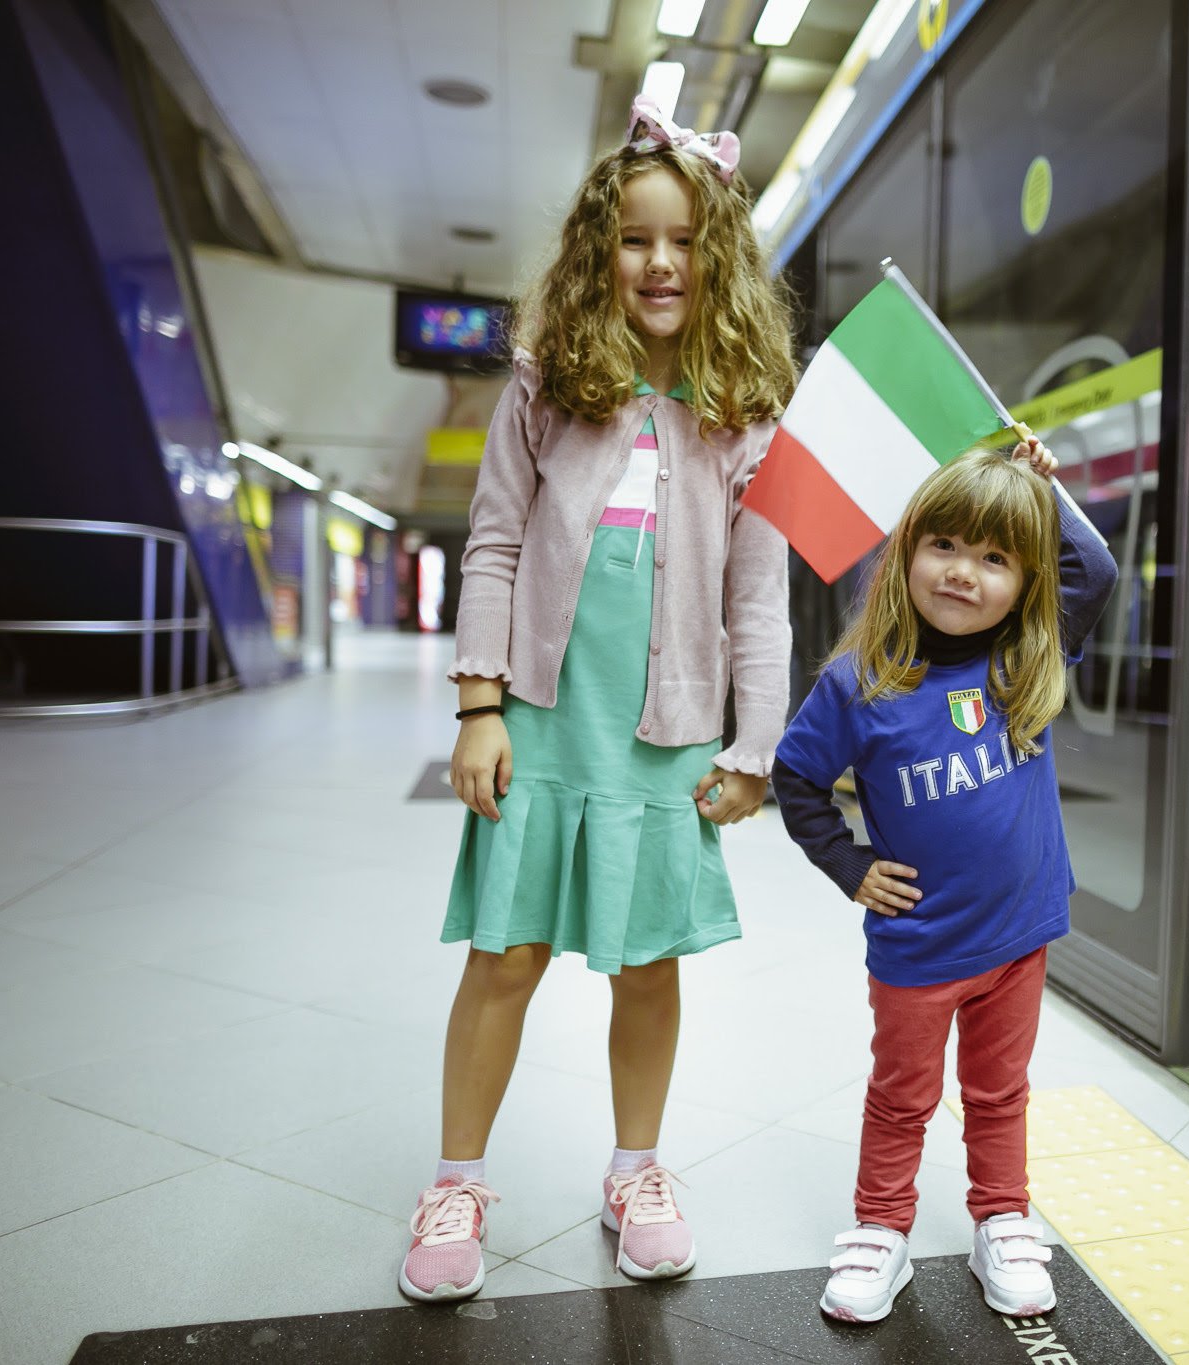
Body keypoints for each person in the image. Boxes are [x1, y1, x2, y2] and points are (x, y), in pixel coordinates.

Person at [398, 94, 796, 1302]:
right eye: (634, 239)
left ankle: (636, 1170)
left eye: (683, 242)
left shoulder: (744, 417)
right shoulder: (543, 382)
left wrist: (757, 747)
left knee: (646, 965)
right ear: (598, 251)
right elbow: (495, 547)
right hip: (539, 719)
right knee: (504, 956)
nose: (660, 263)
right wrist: (477, 709)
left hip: (667, 737)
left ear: (715, 256)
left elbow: (758, 602)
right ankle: (455, 1179)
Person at [770, 441, 1119, 1322]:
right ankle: (881, 1230)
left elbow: (1098, 569)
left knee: (999, 1093)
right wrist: (849, 865)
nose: (966, 572)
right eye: (946, 546)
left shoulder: (1027, 657)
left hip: (1018, 939)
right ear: (905, 553)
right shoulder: (860, 681)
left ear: (1026, 580)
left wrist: (1042, 486)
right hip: (919, 947)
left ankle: (1001, 1218)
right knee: (903, 1096)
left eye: (996, 557)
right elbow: (796, 776)